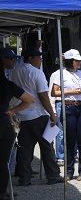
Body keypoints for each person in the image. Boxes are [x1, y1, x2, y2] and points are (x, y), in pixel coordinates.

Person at [11, 47, 62, 185]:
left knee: (24, 148)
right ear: (30, 58)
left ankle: (24, 177)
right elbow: (43, 96)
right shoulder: (37, 73)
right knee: (47, 146)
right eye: (38, 57)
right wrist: (52, 114)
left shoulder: (15, 71)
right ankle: (52, 175)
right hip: (38, 113)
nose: (40, 60)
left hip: (22, 114)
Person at [51, 50, 81, 180]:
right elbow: (54, 92)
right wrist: (72, 91)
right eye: (76, 60)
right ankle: (69, 171)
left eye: (79, 60)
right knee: (69, 140)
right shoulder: (60, 74)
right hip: (69, 106)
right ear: (69, 61)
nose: (79, 62)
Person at [1, 73, 34, 200]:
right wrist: (12, 111)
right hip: (3, 124)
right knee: (2, 163)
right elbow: (29, 100)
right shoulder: (7, 83)